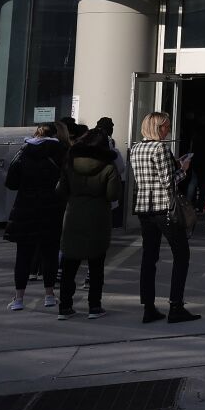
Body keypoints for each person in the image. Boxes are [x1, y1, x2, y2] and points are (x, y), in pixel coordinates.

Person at [127, 111, 199, 324]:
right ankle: (176, 306)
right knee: (181, 254)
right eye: (166, 126)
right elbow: (169, 182)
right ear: (158, 128)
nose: (168, 130)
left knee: (149, 257)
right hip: (164, 208)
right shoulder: (160, 148)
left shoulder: (136, 148)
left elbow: (148, 176)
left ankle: (148, 307)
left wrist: (173, 164)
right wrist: (183, 169)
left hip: (144, 208)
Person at [57, 129, 124, 320]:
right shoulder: (108, 167)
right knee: (96, 265)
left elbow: (61, 190)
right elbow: (113, 195)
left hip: (73, 215)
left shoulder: (70, 163)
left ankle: (65, 306)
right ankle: (94, 306)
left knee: (69, 264)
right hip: (98, 217)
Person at [3, 123, 66, 312]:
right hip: (52, 208)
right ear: (54, 135)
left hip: (25, 208)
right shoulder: (60, 153)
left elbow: (11, 182)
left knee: (23, 255)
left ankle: (19, 298)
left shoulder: (24, 151)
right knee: (50, 253)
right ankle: (49, 295)